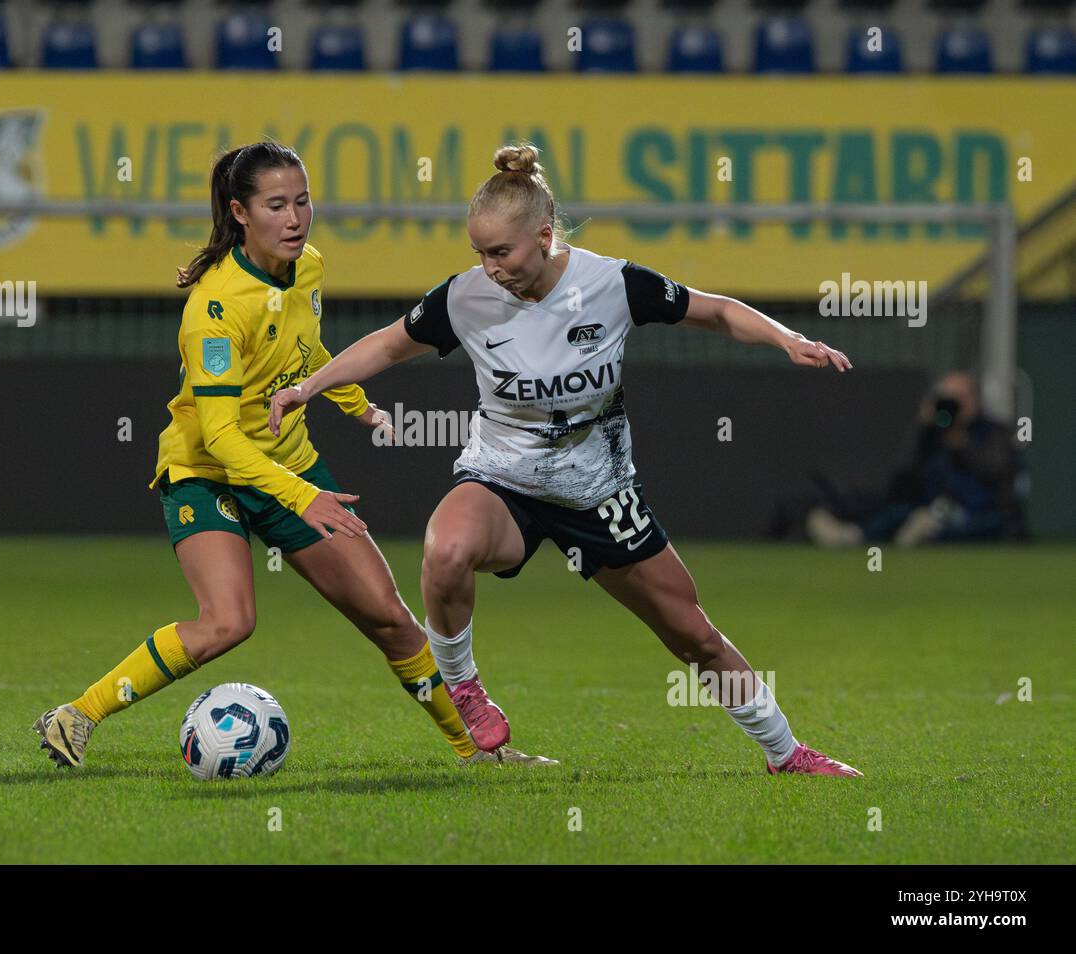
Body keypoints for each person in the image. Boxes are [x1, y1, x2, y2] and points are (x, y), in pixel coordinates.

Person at [270, 142, 862, 776]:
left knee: (693, 635)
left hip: (599, 491)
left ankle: (785, 752)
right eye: (479, 253)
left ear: (545, 236)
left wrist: (788, 339)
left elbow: (714, 311)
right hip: (503, 480)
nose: (489, 267)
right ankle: (463, 687)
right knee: (445, 549)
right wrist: (309, 387)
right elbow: (386, 347)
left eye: (501, 252)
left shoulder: (612, 284)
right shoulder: (465, 298)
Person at [34, 140, 553, 769]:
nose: (295, 218)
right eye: (276, 205)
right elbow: (222, 437)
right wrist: (304, 496)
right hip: (206, 473)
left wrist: (354, 403)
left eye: (302, 201)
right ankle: (76, 717)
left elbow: (304, 348)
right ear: (240, 213)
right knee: (228, 622)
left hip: (290, 465)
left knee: (389, 618)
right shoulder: (215, 309)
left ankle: (475, 750)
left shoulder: (307, 266)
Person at [806, 371, 1025, 547]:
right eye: (944, 399)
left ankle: (925, 536)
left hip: (975, 512)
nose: (951, 406)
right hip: (926, 509)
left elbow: (996, 470)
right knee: (896, 511)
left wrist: (962, 443)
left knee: (987, 524)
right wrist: (923, 428)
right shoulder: (930, 433)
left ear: (973, 400)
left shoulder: (994, 432)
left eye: (957, 399)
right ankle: (853, 535)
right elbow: (902, 476)